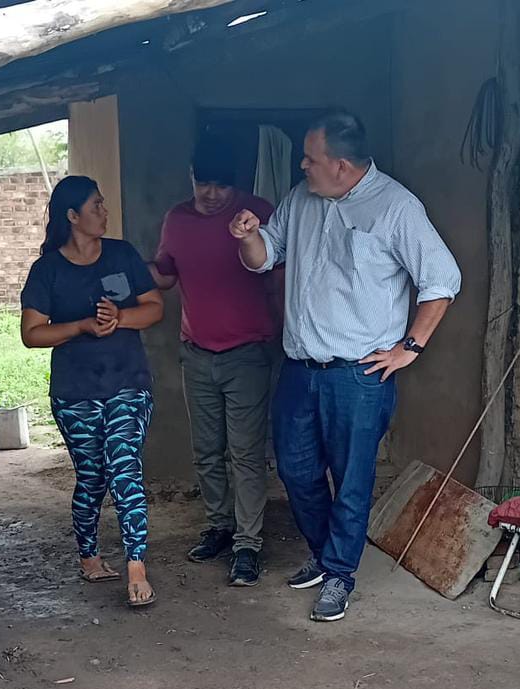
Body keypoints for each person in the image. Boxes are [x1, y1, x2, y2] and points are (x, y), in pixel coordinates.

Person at [229, 110, 461, 622]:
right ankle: (324, 551)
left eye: (310, 159)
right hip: (299, 367)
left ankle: (339, 574)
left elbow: (442, 280)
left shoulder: (396, 207)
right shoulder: (301, 198)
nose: (302, 165)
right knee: (295, 469)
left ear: (340, 164)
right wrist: (248, 236)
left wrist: (410, 348)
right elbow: (264, 256)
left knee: (351, 477)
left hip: (360, 375)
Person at [20, 175, 164, 607]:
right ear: (72, 216)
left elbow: (155, 307)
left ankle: (136, 566)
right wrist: (82, 326)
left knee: (124, 466)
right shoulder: (47, 270)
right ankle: (89, 553)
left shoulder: (122, 254)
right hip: (75, 390)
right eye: (96, 206)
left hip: (127, 382)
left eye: (103, 204)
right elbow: (31, 334)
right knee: (93, 477)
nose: (104, 212)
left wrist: (119, 318)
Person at [148, 137, 277, 586]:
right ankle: (219, 526)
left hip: (248, 352)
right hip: (196, 352)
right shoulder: (177, 220)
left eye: (222, 185)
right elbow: (165, 275)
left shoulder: (256, 213)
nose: (212, 194)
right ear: (191, 178)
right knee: (206, 451)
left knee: (245, 453)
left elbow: (280, 273)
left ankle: (248, 544)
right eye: (204, 183)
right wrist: (123, 266)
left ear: (236, 185)